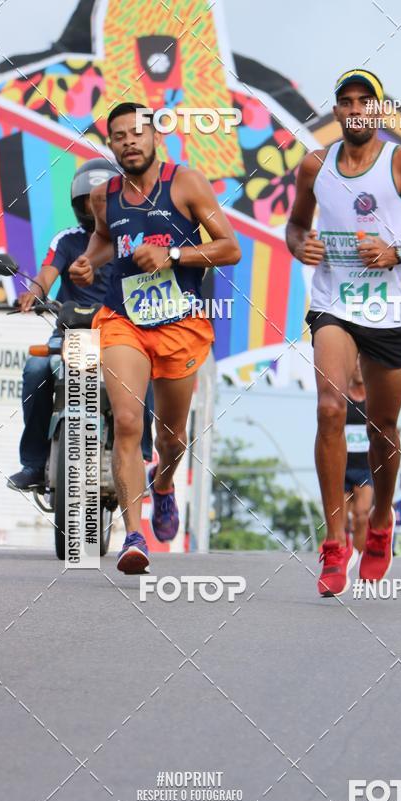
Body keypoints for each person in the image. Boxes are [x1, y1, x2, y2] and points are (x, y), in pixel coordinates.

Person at [286, 68, 401, 596]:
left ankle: (381, 522)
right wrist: (300, 245)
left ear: (379, 111)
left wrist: (396, 252)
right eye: (346, 101)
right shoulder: (314, 166)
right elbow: (295, 225)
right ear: (336, 110)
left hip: (388, 312)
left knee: (384, 425)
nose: (356, 109)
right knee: (330, 408)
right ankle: (335, 544)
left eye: (366, 101)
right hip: (333, 305)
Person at [69, 102, 240, 575]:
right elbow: (104, 240)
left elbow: (230, 248)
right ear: (111, 145)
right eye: (119, 135)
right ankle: (134, 535)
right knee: (127, 421)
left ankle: (163, 486)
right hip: (123, 319)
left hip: (178, 323)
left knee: (171, 437)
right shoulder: (105, 196)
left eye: (136, 133)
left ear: (153, 137)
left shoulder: (185, 182)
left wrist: (173, 255)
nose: (129, 141)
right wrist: (89, 261)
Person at [7, 159, 154, 492]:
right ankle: (32, 464)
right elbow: (47, 273)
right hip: (72, 333)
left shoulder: (131, 240)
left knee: (147, 375)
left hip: (120, 332)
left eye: (101, 200)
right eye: (89, 200)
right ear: (78, 204)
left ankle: (142, 459)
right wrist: (33, 292)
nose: (95, 206)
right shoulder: (68, 240)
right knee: (36, 369)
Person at [344, 359, 373, 552]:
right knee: (341, 519)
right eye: (354, 365)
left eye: (361, 364)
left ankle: (359, 555)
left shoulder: (375, 399)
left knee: (362, 516)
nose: (358, 368)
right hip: (342, 467)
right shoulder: (341, 396)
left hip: (365, 468)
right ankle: (341, 554)